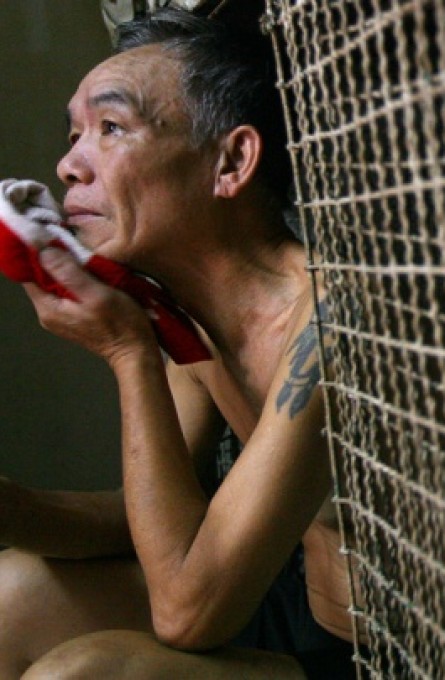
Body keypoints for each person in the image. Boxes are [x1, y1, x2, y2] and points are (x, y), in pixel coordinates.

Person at [0, 7, 359, 679]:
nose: (68, 165)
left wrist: (127, 352)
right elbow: (162, 526)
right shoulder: (191, 317)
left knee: (86, 674)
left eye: (111, 128)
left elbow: (190, 611)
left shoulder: (329, 322)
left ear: (231, 161)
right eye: (74, 132)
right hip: (290, 608)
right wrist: (16, 509)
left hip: (380, 652)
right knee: (10, 595)